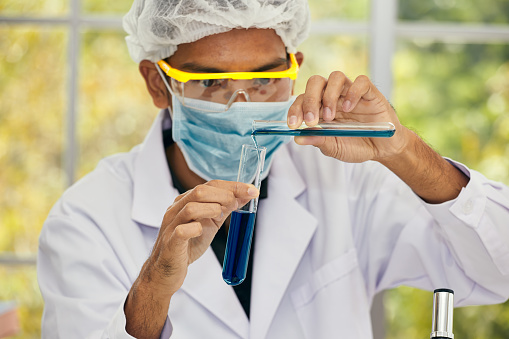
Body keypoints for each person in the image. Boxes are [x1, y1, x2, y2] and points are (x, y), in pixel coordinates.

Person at [37, 0, 509, 338]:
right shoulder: (85, 219)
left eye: (265, 80)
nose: (241, 105)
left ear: (294, 68)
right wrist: (154, 290)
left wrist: (402, 148)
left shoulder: (345, 180)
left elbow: (496, 271)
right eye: (210, 82)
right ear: (156, 82)